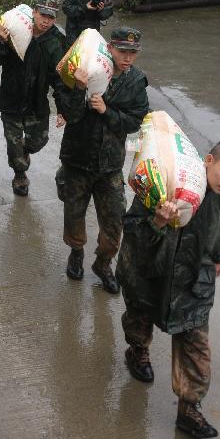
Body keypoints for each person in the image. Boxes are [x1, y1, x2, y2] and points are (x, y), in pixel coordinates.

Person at [116, 138, 220, 439]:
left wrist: (217, 257)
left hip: (192, 280)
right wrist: (158, 222)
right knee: (139, 317)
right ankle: (138, 351)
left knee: (197, 347)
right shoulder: (166, 183)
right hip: (150, 272)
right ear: (208, 161)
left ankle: (189, 410)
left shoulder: (219, 196)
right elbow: (133, 230)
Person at [57, 26, 149, 294]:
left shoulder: (135, 82)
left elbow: (136, 120)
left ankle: (103, 262)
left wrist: (108, 112)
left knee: (115, 220)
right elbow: (69, 114)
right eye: (123, 51)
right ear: (109, 48)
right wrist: (79, 88)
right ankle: (76, 252)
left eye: (133, 53)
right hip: (77, 157)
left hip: (110, 164)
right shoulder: (84, 68)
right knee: (74, 212)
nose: (128, 58)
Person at [0, 0, 65, 197]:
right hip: (11, 100)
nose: (46, 21)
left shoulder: (55, 41)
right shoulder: (16, 31)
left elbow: (59, 77)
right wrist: (0, 41)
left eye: (51, 18)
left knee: (39, 140)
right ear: (34, 13)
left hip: (36, 103)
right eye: (43, 15)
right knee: (14, 148)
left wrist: (63, 107)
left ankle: (23, 151)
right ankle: (20, 174)